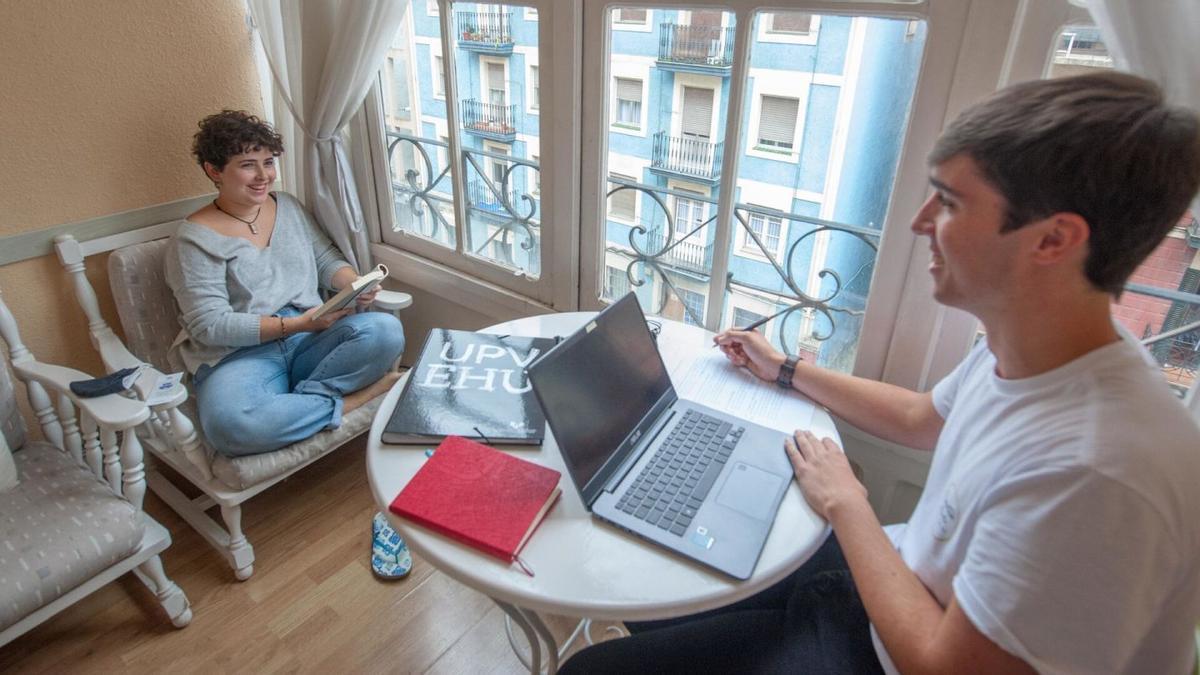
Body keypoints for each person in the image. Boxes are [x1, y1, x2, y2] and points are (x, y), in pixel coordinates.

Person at [561, 72, 1200, 673]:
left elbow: (942, 666)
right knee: (665, 580)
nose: (922, 222)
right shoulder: (1044, 344)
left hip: (892, 654)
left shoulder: (1099, 472)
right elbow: (923, 417)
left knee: (592, 670)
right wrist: (783, 369)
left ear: (1053, 241)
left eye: (949, 202)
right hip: (894, 580)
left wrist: (847, 502)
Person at [165, 110, 405, 458]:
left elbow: (325, 260)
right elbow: (209, 325)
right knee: (232, 426)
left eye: (269, 162)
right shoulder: (192, 240)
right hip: (240, 356)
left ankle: (297, 401)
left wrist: (355, 284)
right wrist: (297, 323)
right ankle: (358, 397)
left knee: (385, 331)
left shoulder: (288, 207)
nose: (264, 176)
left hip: (310, 337)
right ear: (214, 170)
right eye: (248, 164)